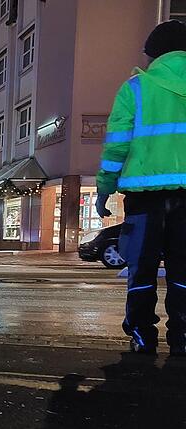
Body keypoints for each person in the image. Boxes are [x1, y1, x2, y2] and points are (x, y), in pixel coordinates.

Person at [96, 20, 186, 355]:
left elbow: (116, 146)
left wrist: (104, 188)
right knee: (184, 267)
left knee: (142, 266)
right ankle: (183, 336)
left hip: (145, 199)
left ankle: (142, 334)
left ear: (153, 55)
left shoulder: (135, 88)